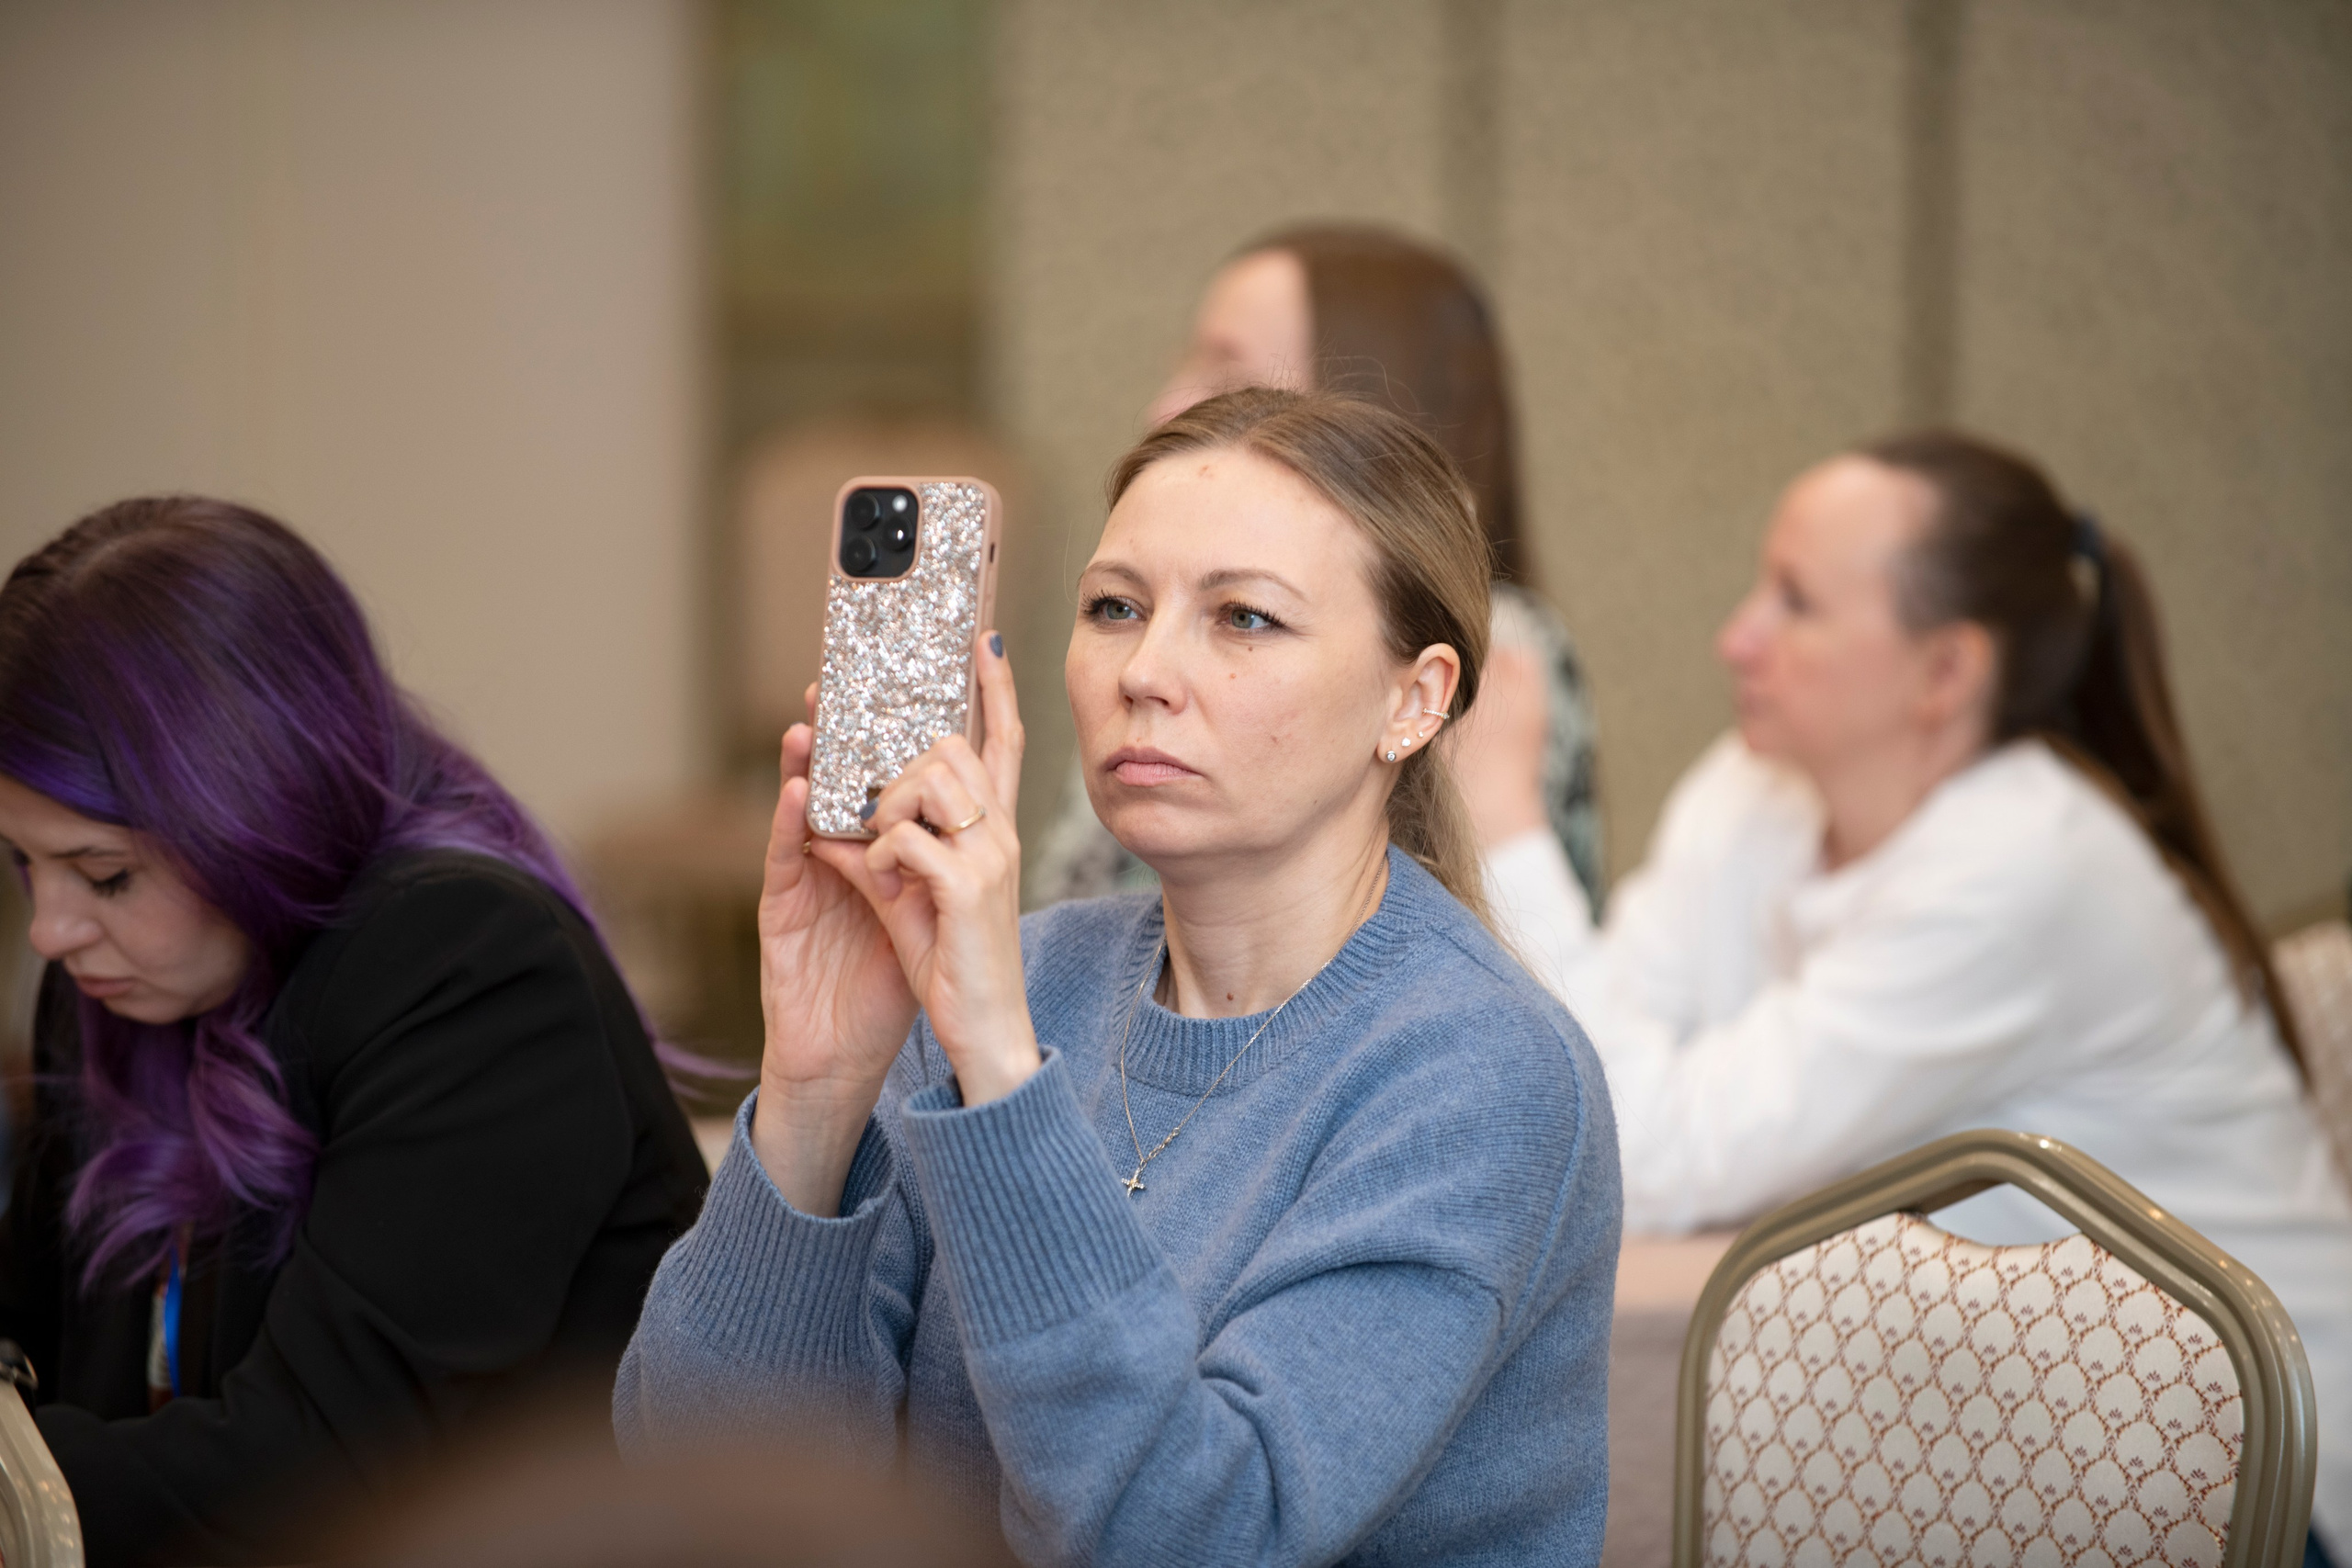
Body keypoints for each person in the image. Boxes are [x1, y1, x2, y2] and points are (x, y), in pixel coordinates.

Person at [617, 389, 1622, 1565]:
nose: (1144, 670)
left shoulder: (1482, 1074)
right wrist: (817, 1088)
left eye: (1243, 619)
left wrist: (999, 1065)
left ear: (1416, 698)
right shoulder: (1025, 973)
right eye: (1113, 608)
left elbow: (1182, 1537)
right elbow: (702, 1492)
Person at [1487, 431, 2352, 1558]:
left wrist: (1503, 812)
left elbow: (1621, 1149)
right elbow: (1620, 1082)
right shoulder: (1753, 785)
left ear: (1946, 672)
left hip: (2256, 1489)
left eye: (1795, 603)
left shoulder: (2023, 864)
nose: (1734, 638)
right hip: (2001, 1448)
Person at [0, 498, 709, 1566]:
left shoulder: (466, 964)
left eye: (105, 874)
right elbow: (36, 1366)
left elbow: (320, 1467)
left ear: (256, 810)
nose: (50, 931)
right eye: (21, 864)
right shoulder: (115, 982)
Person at [1030, 224, 1605, 917]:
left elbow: (1522, 941)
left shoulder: (1503, 646)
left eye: (1226, 375)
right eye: (1115, 607)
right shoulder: (1153, 639)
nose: (1166, 406)